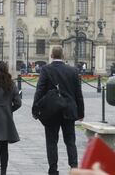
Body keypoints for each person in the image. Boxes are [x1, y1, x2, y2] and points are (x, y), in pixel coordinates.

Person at [32, 47, 84, 175]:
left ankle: (53, 170)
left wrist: (35, 108)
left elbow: (39, 90)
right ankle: (74, 167)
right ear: (63, 55)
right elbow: (78, 94)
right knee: (70, 141)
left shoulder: (46, 69)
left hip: (51, 111)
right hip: (69, 109)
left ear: (51, 55)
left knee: (51, 141)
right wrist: (81, 113)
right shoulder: (73, 70)